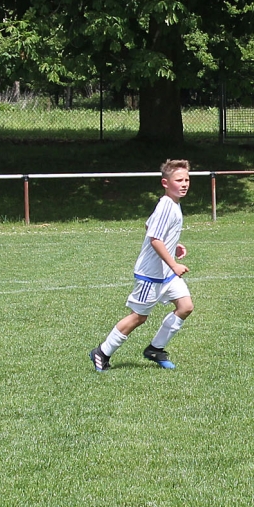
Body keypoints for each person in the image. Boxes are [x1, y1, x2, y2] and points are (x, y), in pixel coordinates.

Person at [90, 159, 194, 372]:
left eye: (186, 180)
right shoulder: (166, 206)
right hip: (151, 274)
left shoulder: (172, 203)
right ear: (165, 183)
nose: (184, 184)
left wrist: (173, 245)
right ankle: (102, 352)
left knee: (185, 307)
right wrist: (173, 264)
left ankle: (155, 349)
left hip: (165, 274)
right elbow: (155, 238)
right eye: (178, 180)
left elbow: (150, 226)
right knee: (139, 317)